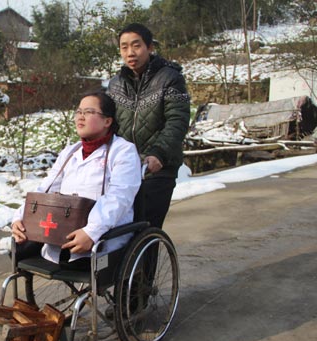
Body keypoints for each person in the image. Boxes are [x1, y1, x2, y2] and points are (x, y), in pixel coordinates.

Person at [11, 91, 141, 268]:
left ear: (107, 121)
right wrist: (21, 218)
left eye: (88, 112)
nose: (81, 117)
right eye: (79, 112)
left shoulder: (123, 151)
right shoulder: (70, 152)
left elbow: (119, 197)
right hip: (62, 232)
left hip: (103, 240)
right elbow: (46, 189)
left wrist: (91, 232)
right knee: (18, 251)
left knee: (80, 259)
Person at [107, 23, 191, 229]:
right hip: (125, 167)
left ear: (150, 47)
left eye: (136, 45)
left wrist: (159, 154)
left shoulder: (170, 78)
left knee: (146, 229)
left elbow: (177, 121)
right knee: (118, 230)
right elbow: (109, 124)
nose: (130, 52)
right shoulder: (115, 84)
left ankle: (148, 259)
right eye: (124, 47)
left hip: (157, 168)